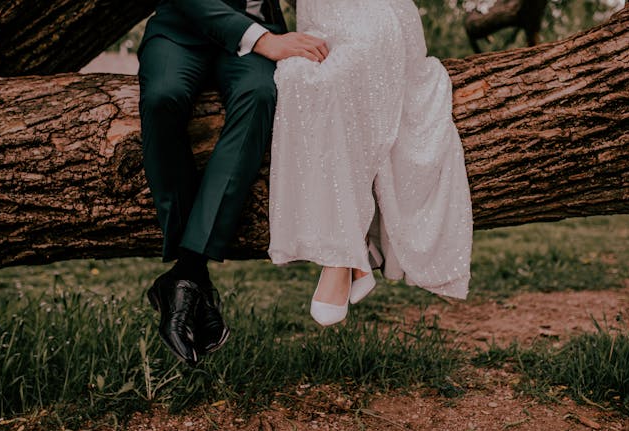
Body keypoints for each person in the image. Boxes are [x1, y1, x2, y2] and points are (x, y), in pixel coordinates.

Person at [137, 0, 328, 364]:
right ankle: (194, 281)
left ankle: (185, 275)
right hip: (180, 29)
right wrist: (263, 41)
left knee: (259, 96)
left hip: (255, 37)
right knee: (163, 97)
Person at [268, 0, 473, 326]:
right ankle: (355, 248)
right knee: (296, 78)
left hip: (373, 15)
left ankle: (341, 257)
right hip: (319, 18)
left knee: (338, 76)